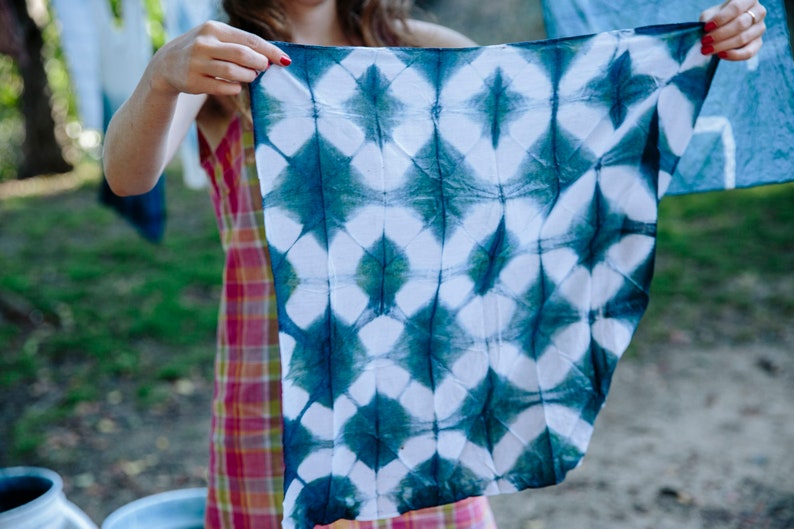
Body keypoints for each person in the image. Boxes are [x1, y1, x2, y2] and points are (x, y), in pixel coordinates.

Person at [102, 1, 767, 527]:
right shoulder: (222, 61)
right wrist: (162, 76)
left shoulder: (427, 50)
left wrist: (699, 43)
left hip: (429, 396)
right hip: (276, 403)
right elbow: (127, 176)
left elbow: (567, 108)